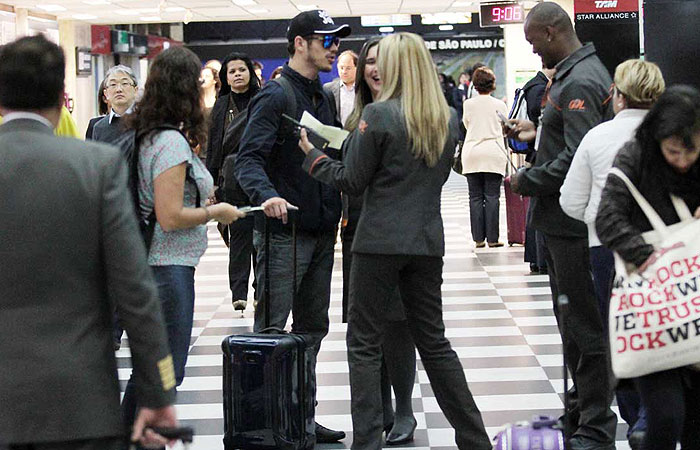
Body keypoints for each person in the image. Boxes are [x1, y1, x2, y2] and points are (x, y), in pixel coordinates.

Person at [298, 32, 491, 450]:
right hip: (426, 241)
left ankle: (367, 441)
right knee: (434, 342)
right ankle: (475, 439)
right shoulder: (446, 118)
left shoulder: (379, 116)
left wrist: (312, 157)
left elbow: (351, 180)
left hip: (377, 242)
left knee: (364, 343)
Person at [0, 34, 178, 450]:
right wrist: (158, 392)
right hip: (78, 398)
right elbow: (135, 289)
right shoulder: (95, 166)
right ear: (61, 96)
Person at [233, 9, 350, 444]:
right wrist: (267, 196)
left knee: (311, 331)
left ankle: (301, 417)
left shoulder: (321, 98)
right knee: (271, 330)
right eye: (326, 39)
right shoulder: (275, 96)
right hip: (284, 236)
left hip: (320, 232)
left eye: (336, 40)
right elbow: (247, 160)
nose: (334, 47)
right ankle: (262, 423)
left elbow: (332, 156)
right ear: (300, 43)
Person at [119, 46, 245, 440]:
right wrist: (216, 212)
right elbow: (170, 216)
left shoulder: (148, 135)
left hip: (156, 265)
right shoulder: (171, 142)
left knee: (152, 371)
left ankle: (129, 437)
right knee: (163, 372)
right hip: (166, 268)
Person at [508, 3, 617, 449]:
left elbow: (579, 157)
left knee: (583, 326)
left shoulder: (581, 82)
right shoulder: (575, 77)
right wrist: (536, 132)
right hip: (562, 224)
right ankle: (580, 410)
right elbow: (572, 141)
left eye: (534, 42)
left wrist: (526, 178)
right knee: (572, 322)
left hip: (573, 227)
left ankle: (595, 424)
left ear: (552, 32)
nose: (533, 51)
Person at [560, 58, 665, 449]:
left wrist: (593, 219)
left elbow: (570, 200)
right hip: (668, 248)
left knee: (620, 333)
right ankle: (660, 412)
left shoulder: (598, 137)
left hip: (607, 249)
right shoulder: (676, 134)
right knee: (665, 325)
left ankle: (635, 414)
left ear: (618, 96)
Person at [596, 85, 700, 450]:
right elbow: (606, 218)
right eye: (674, 152)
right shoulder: (635, 158)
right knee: (666, 414)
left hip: (694, 301)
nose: (683, 162)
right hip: (650, 307)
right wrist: (648, 257)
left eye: (692, 151)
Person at [340, 37, 418, 445]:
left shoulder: (407, 113)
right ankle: (380, 409)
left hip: (396, 234)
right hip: (359, 229)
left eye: (380, 61)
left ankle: (404, 408)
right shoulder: (361, 116)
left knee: (398, 324)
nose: (373, 69)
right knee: (367, 327)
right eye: (368, 62)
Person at [205, 51, 261, 312]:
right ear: (226, 77)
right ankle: (238, 292)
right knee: (238, 236)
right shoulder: (221, 105)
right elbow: (214, 146)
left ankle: (260, 288)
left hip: (261, 176)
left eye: (242, 69)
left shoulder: (262, 100)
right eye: (232, 71)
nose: (238, 74)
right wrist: (212, 182)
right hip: (231, 178)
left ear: (250, 73)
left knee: (262, 236)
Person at [460, 66, 508, 248]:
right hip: (493, 151)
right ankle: (494, 239)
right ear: (492, 84)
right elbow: (505, 126)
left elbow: (466, 124)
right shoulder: (500, 105)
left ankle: (478, 239)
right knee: (492, 196)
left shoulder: (468, 104)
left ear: (475, 85)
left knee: (475, 197)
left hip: (472, 152)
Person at [520, 67, 554, 274]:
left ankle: (536, 257)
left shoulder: (532, 86)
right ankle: (539, 258)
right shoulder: (540, 88)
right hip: (541, 153)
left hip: (535, 152)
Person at [91, 65, 138, 144]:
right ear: (106, 93)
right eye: (113, 85)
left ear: (135, 90)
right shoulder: (99, 128)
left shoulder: (145, 122)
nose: (119, 89)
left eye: (125, 83)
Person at [323, 49, 358, 126]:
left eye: (348, 68)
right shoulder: (328, 89)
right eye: (341, 68)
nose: (344, 71)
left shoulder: (364, 88)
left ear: (357, 68)